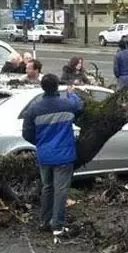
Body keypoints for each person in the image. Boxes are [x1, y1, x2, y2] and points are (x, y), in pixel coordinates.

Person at [21, 74, 83, 238]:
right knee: (60, 191)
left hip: (45, 155)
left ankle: (44, 221)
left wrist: (41, 144)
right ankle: (58, 226)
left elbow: (26, 133)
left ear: (42, 87)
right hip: (64, 156)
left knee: (47, 187)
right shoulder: (66, 104)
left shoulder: (34, 109)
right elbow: (79, 106)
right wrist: (71, 93)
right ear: (57, 87)